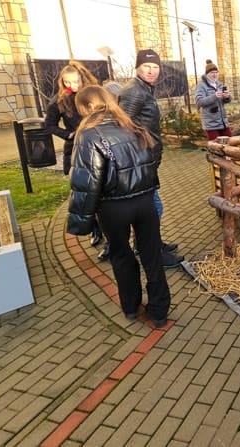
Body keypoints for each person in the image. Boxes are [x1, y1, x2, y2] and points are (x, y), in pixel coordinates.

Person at [66, 86, 170, 328]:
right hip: (145, 202)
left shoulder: (89, 135)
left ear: (88, 107)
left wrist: (80, 222)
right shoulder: (133, 127)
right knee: (152, 256)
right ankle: (159, 311)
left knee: (121, 256)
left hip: (113, 207)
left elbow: (87, 181)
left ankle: (131, 307)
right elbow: (151, 163)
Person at [116, 48, 183, 268]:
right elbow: (123, 126)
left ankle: (150, 244)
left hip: (148, 158)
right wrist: (136, 154)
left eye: (155, 67)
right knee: (154, 209)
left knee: (152, 208)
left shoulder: (144, 89)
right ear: (138, 67)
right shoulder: (134, 91)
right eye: (147, 66)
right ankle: (152, 252)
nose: (152, 71)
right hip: (141, 160)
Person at [44, 61, 102, 246]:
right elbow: (49, 124)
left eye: (75, 81)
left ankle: (108, 234)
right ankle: (94, 229)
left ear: (82, 78)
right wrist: (67, 135)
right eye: (67, 82)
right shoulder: (60, 100)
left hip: (97, 146)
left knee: (101, 192)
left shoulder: (93, 94)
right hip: (76, 150)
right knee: (83, 193)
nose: (72, 86)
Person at [195, 60, 232, 141]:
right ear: (207, 74)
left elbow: (226, 101)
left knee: (231, 143)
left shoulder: (219, 84)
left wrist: (227, 97)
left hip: (223, 123)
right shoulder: (201, 85)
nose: (214, 74)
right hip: (211, 124)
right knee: (216, 148)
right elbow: (199, 102)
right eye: (212, 72)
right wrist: (214, 96)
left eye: (216, 72)